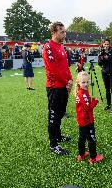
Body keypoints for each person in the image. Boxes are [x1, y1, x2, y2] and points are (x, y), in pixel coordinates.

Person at [42, 21, 73, 156]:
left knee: (60, 113)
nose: (64, 33)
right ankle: (53, 144)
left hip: (64, 86)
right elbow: (53, 69)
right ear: (54, 32)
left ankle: (59, 136)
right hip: (55, 87)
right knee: (53, 115)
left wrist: (70, 80)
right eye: (61, 32)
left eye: (64, 31)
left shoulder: (61, 47)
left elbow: (65, 67)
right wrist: (66, 82)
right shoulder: (48, 47)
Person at [74, 71, 104, 164]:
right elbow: (87, 107)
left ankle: (81, 154)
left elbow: (84, 104)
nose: (86, 84)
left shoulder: (81, 92)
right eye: (83, 82)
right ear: (78, 83)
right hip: (87, 121)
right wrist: (95, 101)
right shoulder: (82, 93)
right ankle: (93, 157)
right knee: (91, 138)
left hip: (81, 120)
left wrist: (91, 100)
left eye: (87, 82)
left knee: (82, 138)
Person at [98, 39, 112, 113]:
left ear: (109, 44)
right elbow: (100, 63)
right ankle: (108, 104)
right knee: (107, 89)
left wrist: (108, 58)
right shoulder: (101, 52)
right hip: (105, 72)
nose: (106, 45)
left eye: (107, 44)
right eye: (105, 44)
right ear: (103, 44)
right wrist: (102, 58)